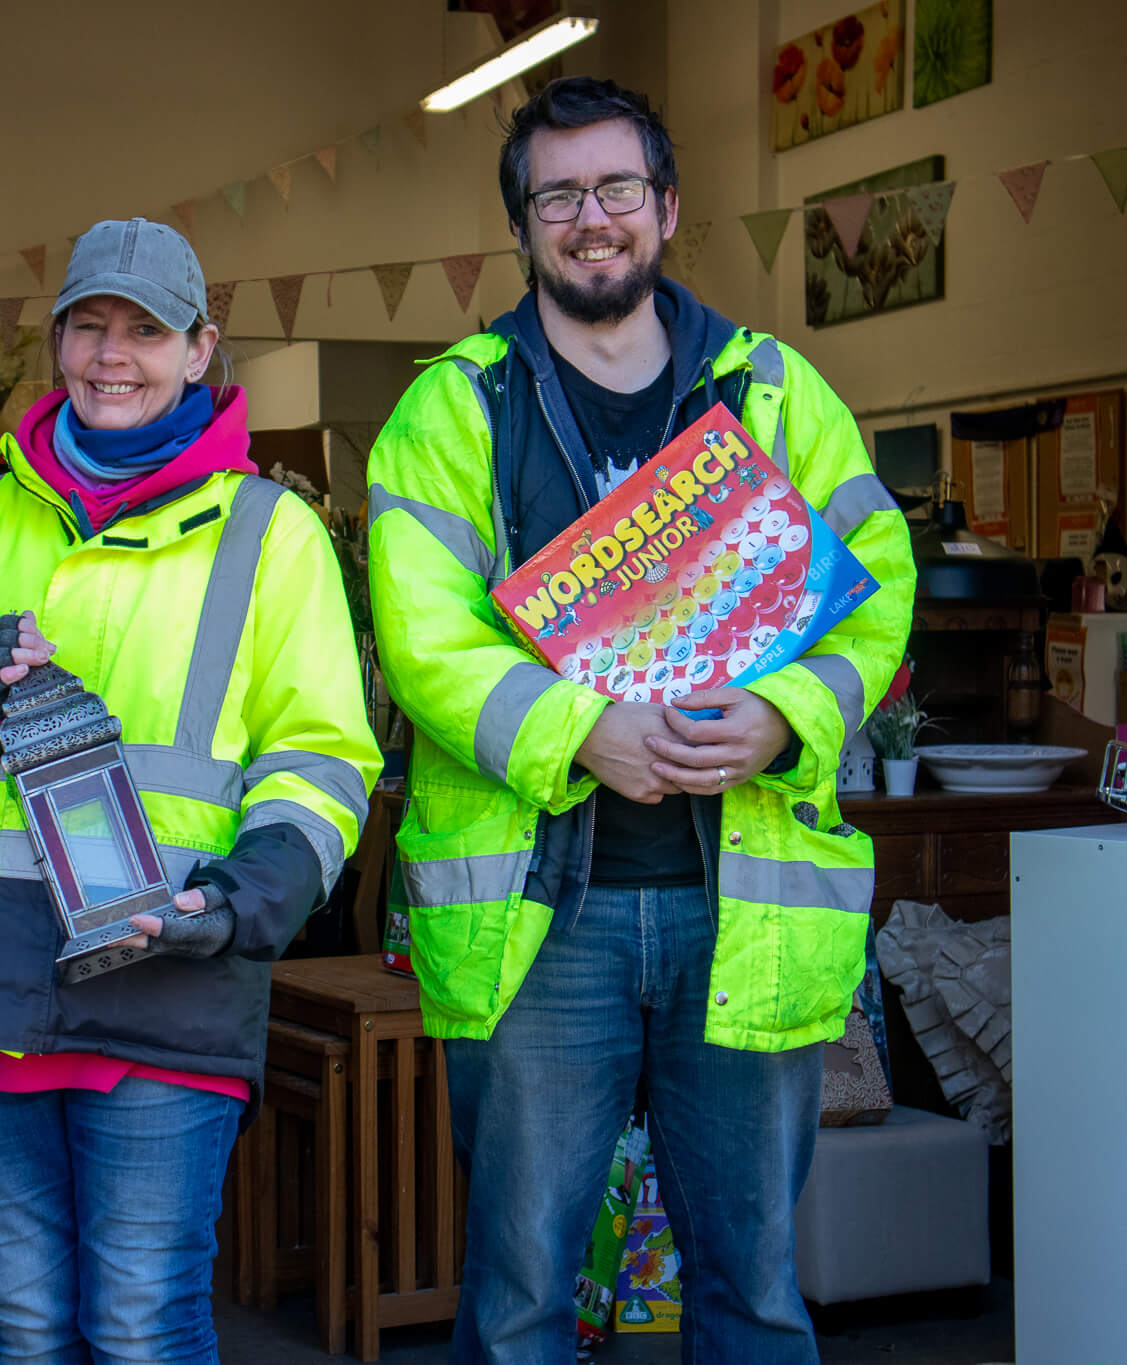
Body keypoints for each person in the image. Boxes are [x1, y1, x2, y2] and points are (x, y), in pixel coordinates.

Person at [366, 78, 913, 1363]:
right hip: (539, 921)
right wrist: (578, 732)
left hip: (748, 905)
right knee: (514, 1308)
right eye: (556, 195)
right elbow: (420, 635)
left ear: (667, 208)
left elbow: (876, 580)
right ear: (521, 228)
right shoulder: (453, 408)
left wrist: (782, 715)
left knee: (755, 1296)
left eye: (616, 188)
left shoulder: (775, 390)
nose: (590, 217)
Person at [0, 217, 381, 1364]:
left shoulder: (272, 538)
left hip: (169, 981)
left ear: (200, 348)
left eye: (145, 331)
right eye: (87, 327)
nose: (110, 356)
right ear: (57, 340)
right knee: (22, 1331)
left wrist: (239, 902)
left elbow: (320, 763)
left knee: (139, 1329)